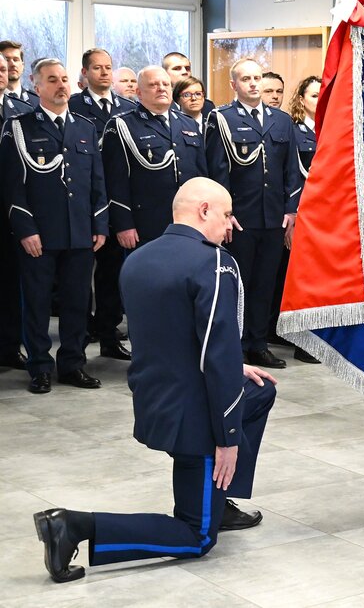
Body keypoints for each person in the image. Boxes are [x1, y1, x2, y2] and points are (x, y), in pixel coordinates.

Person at [33, 177, 276, 583]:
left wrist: (234, 367)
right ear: (204, 211)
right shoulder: (215, 263)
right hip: (199, 418)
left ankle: (220, 499)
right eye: (228, 214)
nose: (232, 225)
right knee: (197, 535)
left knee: (261, 389)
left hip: (154, 402)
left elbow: (171, 335)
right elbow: (216, 356)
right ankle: (74, 526)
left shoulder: (139, 258)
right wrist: (228, 438)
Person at [0, 58, 108, 394]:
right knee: (37, 303)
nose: (61, 85)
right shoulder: (19, 127)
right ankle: (40, 367)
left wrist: (100, 224)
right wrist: (25, 229)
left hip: (80, 232)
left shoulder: (85, 127)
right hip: (40, 234)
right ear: (37, 85)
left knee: (77, 303)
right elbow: (11, 187)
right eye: (52, 80)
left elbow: (97, 183)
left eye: (64, 79)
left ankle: (73, 364)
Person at [205, 58, 302, 369]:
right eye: (245, 78)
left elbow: (291, 171)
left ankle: (258, 344)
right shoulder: (220, 119)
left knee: (264, 284)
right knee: (238, 284)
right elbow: (217, 171)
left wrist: (290, 210)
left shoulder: (282, 121)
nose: (253, 84)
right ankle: (235, 345)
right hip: (240, 219)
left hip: (273, 218)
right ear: (234, 84)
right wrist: (224, 213)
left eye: (257, 77)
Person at [68, 48, 138, 362]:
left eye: (108, 67)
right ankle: (80, 334)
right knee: (80, 277)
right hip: (85, 202)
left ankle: (109, 336)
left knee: (111, 274)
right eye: (97, 68)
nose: (104, 73)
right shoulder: (73, 106)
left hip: (119, 200)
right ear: (85, 73)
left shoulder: (128, 108)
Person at [101, 66, 207, 247]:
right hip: (147, 224)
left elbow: (202, 174)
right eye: (153, 84)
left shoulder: (187, 123)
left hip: (189, 221)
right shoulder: (122, 125)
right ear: (139, 93)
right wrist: (124, 224)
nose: (161, 88)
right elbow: (114, 181)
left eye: (166, 84)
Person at [267, 74, 321, 364]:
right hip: (304, 214)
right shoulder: (295, 131)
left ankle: (319, 337)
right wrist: (293, 217)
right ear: (301, 100)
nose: (320, 98)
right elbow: (290, 177)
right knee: (301, 280)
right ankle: (301, 340)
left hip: (329, 216)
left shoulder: (334, 129)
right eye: (314, 95)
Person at [0, 56, 34, 372]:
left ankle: (10, 347)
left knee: (11, 283)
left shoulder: (20, 109)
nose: (2, 74)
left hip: (12, 207)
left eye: (2, 69)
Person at [163, 51, 215, 118]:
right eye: (177, 68)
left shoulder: (206, 105)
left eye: (187, 68)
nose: (184, 72)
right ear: (164, 72)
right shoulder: (159, 104)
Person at [1, 39, 39, 106]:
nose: (13, 64)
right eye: (7, 60)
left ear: (23, 65)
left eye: (16, 60)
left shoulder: (38, 101)